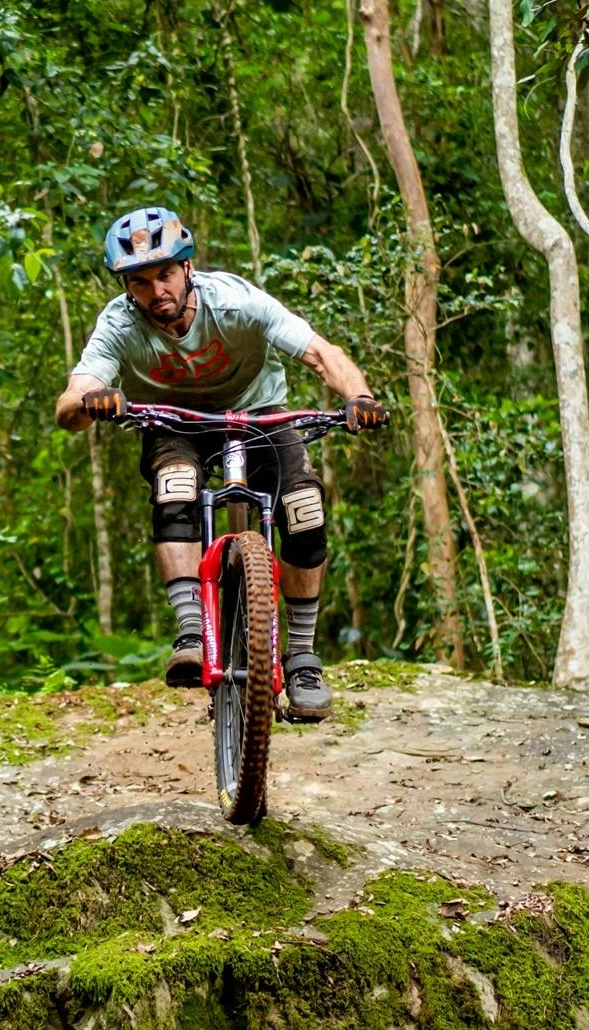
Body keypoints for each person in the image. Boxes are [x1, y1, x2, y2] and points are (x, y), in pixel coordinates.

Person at [53, 204, 386, 722]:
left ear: (188, 267)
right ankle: (191, 631)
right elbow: (71, 402)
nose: (156, 290)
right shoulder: (118, 324)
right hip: (175, 423)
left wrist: (359, 397)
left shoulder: (237, 302)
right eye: (140, 282)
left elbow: (321, 353)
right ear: (125, 287)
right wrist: (92, 402)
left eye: (165, 274)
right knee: (176, 485)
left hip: (258, 414)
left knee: (303, 506)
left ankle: (300, 657)